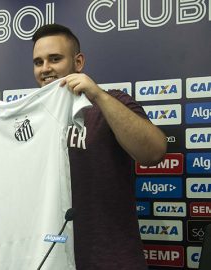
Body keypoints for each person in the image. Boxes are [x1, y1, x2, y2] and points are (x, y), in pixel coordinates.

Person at [32, 24, 167, 270]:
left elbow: (154, 152)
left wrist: (98, 96)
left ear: (79, 62)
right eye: (38, 62)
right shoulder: (30, 119)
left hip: (111, 259)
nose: (45, 69)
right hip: (50, 257)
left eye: (55, 59)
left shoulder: (111, 102)